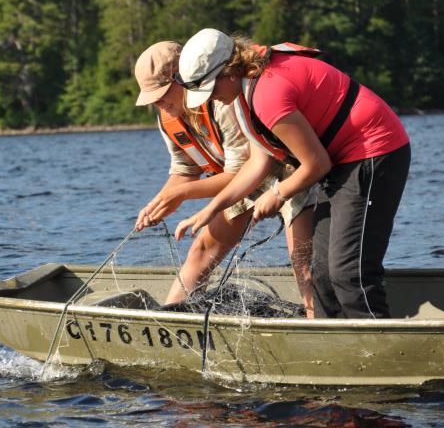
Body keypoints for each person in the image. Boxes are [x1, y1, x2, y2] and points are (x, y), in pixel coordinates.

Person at [174, 29, 410, 319]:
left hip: (373, 152)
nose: (211, 100)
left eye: (211, 89)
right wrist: (211, 209)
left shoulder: (268, 95)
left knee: (348, 271)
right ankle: (329, 348)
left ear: (230, 72)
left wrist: (278, 194)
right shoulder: (241, 94)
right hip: (340, 161)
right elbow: (258, 163)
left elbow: (316, 164)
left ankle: (379, 348)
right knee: (321, 273)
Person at [133, 41, 317, 317]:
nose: (158, 103)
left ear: (182, 78)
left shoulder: (220, 100)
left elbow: (240, 171)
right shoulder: (168, 117)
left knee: (301, 260)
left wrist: (181, 195)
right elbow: (184, 172)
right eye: (152, 98)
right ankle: (172, 323)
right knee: (201, 248)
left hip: (286, 172)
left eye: (161, 94)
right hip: (243, 183)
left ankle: (317, 327)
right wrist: (160, 202)